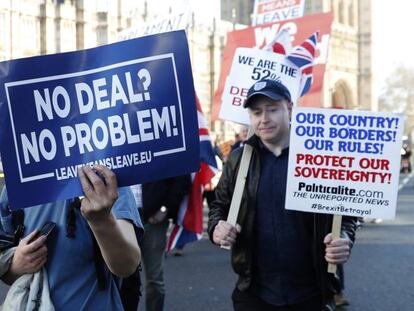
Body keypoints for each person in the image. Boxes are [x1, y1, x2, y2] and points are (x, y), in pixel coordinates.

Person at [208, 79, 357, 310]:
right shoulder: (239, 160)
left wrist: (345, 238)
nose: (264, 118)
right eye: (256, 112)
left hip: (311, 293)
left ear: (289, 107)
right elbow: (219, 206)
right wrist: (217, 228)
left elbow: (346, 213)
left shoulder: (320, 155)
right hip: (254, 292)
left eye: (272, 109)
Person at [0, 165, 143, 310]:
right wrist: (15, 265)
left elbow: (127, 266)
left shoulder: (105, 176)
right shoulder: (15, 185)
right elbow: (6, 272)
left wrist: (102, 221)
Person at [132, 175, 191, 311]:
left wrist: (165, 209)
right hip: (121, 219)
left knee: (154, 279)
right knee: (122, 278)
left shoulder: (157, 152)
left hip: (152, 220)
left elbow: (181, 179)